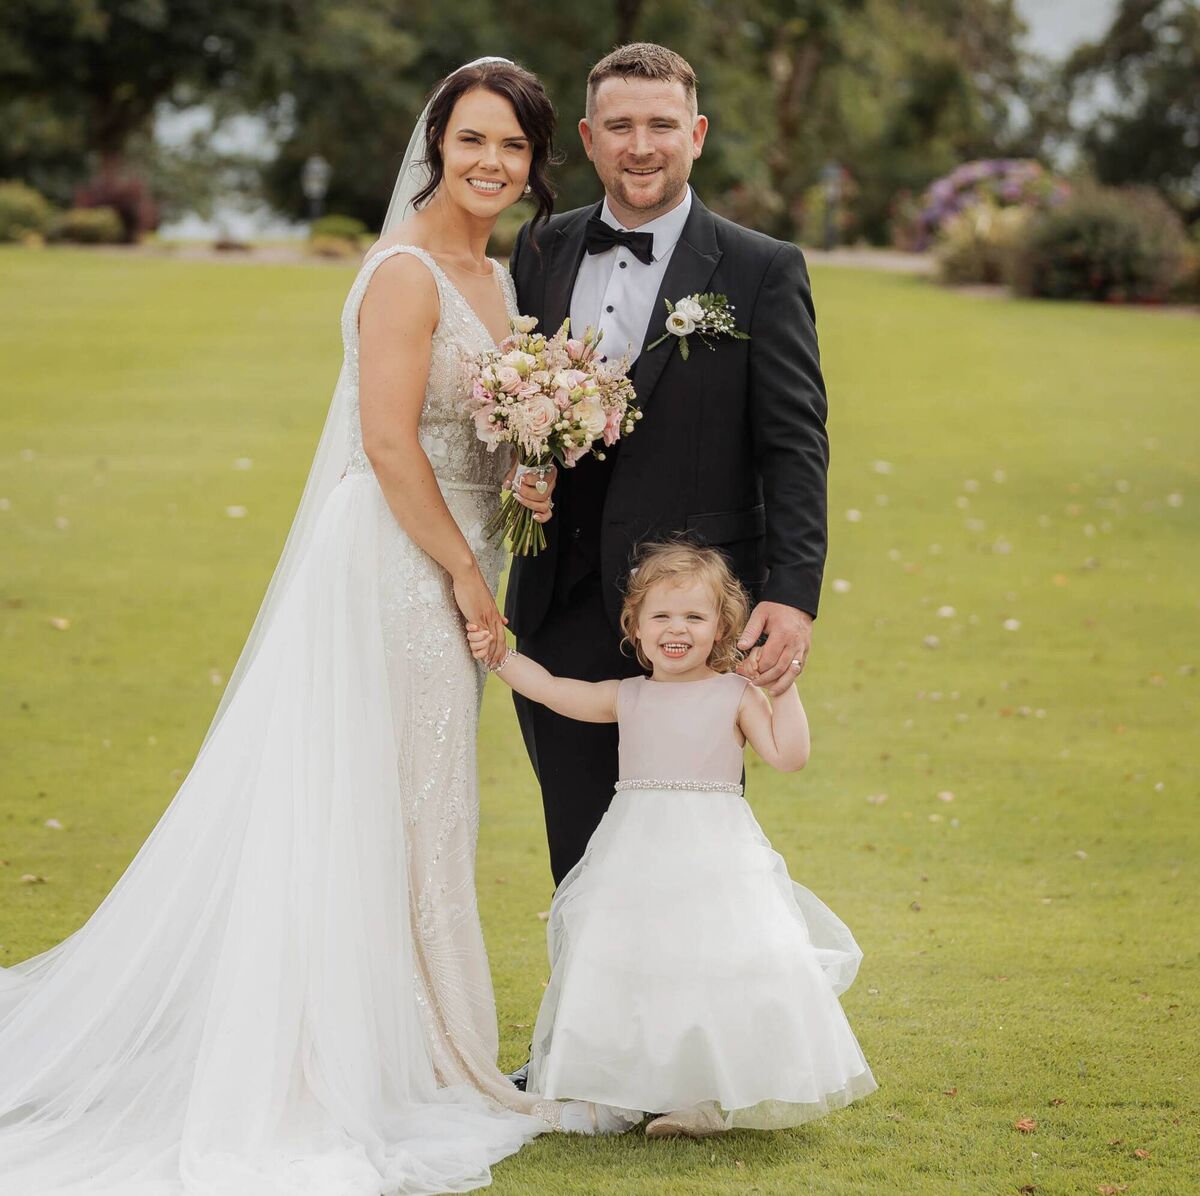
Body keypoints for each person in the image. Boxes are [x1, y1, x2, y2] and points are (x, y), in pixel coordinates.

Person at [0, 59, 568, 1196]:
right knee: (374, 797)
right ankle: (354, 1057)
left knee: (423, 801)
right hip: (395, 564)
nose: (492, 164)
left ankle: (419, 1040)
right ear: (437, 144)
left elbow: (477, 439)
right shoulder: (406, 272)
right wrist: (466, 571)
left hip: (454, 547)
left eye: (512, 147)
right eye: (473, 142)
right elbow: (393, 444)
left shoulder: (499, 279)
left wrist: (529, 474)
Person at [504, 41, 830, 905]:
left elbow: (795, 443)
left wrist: (792, 594)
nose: (639, 145)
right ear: (588, 134)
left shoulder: (762, 269)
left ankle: (685, 1038)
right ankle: (574, 1042)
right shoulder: (538, 248)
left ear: (697, 133)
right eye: (618, 126)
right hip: (559, 595)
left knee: (690, 846)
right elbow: (510, 407)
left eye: (659, 124)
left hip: (696, 610)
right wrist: (519, 474)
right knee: (574, 847)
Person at [469, 540, 875, 1137]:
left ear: (721, 628)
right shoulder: (628, 695)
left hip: (713, 856)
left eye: (694, 617)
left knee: (709, 962)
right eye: (661, 616)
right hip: (635, 853)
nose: (676, 629)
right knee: (628, 958)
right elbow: (555, 690)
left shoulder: (736, 696)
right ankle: (620, 1089)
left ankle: (703, 1098)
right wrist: (499, 656)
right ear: (634, 625)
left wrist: (783, 691)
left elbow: (788, 757)